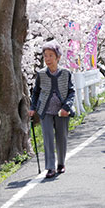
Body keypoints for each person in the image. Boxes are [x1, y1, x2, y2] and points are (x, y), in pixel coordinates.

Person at [29, 40, 76, 178]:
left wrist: (66, 106)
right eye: (45, 56)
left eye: (50, 55)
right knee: (48, 138)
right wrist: (33, 107)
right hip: (45, 111)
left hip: (62, 111)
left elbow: (71, 92)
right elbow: (36, 92)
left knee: (61, 138)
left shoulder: (66, 73)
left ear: (58, 57)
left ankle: (61, 163)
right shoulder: (41, 74)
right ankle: (50, 167)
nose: (47, 59)